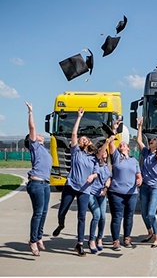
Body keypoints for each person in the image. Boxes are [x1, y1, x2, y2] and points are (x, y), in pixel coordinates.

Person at [52, 107, 99, 257]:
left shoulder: (93, 157)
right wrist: (79, 117)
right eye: (81, 139)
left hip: (85, 189)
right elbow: (73, 134)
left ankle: (79, 244)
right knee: (62, 210)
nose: (82, 140)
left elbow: (97, 171)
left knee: (82, 216)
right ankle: (61, 223)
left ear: (89, 142)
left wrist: (93, 176)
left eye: (85, 139)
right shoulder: (75, 151)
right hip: (71, 185)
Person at [107, 121, 143, 251]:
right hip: (116, 192)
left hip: (132, 193)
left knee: (129, 216)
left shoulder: (133, 161)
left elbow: (138, 175)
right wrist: (114, 129)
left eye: (124, 144)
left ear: (128, 148)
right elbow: (111, 143)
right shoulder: (116, 156)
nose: (122, 145)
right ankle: (115, 240)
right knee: (117, 216)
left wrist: (139, 180)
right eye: (120, 144)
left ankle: (127, 238)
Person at [25, 101, 53, 256]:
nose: (40, 135)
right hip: (36, 183)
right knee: (38, 212)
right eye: (36, 136)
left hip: (45, 184)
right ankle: (33, 240)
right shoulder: (35, 146)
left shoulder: (44, 150)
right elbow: (32, 128)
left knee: (43, 212)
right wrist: (30, 112)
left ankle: (39, 237)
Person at [136, 117, 157, 248]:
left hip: (155, 187)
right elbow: (138, 140)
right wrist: (140, 126)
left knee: (151, 213)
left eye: (153, 140)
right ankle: (149, 232)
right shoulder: (146, 152)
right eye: (151, 140)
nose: (151, 141)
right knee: (144, 213)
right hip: (144, 187)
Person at [87, 138, 112, 254]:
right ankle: (91, 239)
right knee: (96, 215)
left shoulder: (108, 166)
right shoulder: (94, 162)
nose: (104, 154)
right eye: (103, 152)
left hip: (102, 194)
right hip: (92, 192)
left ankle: (99, 238)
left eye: (106, 152)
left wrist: (106, 188)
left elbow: (109, 178)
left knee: (103, 217)